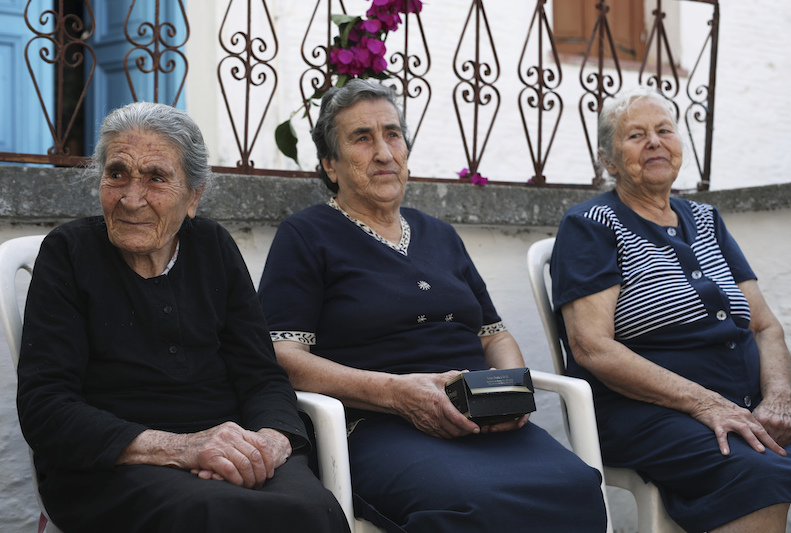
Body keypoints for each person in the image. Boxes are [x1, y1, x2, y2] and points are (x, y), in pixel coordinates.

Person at [257, 78, 607, 532]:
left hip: (479, 418)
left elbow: (494, 335)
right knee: (467, 504)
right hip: (378, 424)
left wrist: (508, 392)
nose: (383, 152)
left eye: (393, 134)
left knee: (576, 485)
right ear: (331, 164)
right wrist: (396, 393)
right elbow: (283, 357)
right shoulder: (307, 236)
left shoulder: (439, 234)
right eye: (362, 138)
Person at [15, 102, 350, 533]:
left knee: (314, 509)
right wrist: (182, 448)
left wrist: (268, 443)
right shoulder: (69, 254)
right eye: (117, 173)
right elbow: (46, 407)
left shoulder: (214, 247)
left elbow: (262, 375)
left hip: (229, 451)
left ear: (194, 196)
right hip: (113, 463)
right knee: (218, 516)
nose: (131, 198)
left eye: (156, 178)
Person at [550, 85, 791, 533]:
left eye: (664, 130)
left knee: (770, 446)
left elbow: (764, 326)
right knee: (760, 471)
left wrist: (780, 395)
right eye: (635, 135)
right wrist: (705, 403)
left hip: (748, 399)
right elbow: (591, 348)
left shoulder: (705, 219)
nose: (654, 142)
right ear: (608, 160)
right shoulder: (590, 225)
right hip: (647, 411)